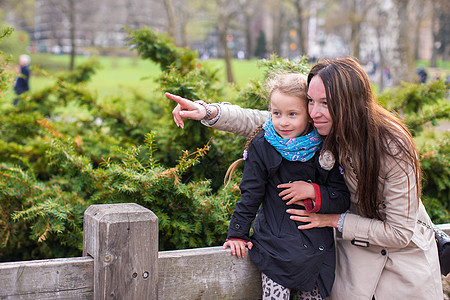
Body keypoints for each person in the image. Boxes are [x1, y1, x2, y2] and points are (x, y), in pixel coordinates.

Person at [165, 56, 443, 299]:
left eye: (326, 103)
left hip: (402, 264)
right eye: (311, 101)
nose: (314, 111)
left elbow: (399, 232)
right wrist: (208, 112)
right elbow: (266, 121)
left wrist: (332, 219)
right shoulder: (319, 128)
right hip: (355, 257)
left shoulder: (392, 147)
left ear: (351, 104)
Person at [216, 73, 349, 299]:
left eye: (292, 114)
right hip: (274, 248)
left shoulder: (325, 145)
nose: (283, 122)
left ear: (308, 115)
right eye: (276, 114)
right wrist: (238, 233)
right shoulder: (263, 145)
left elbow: (342, 196)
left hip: (315, 248)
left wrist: (314, 192)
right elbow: (251, 194)